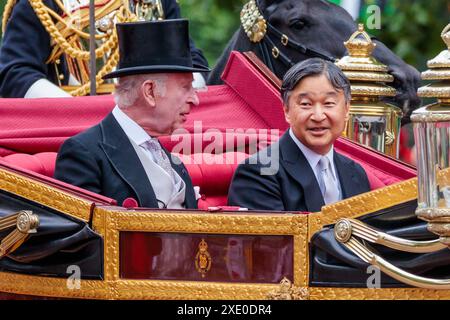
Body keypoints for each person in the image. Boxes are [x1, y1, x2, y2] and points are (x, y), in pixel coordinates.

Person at [54, 19, 209, 209]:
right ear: (150, 92)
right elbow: (84, 236)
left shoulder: (171, 161)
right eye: (185, 87)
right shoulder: (84, 154)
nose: (195, 99)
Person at [227, 58, 371, 212]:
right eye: (306, 104)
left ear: (347, 110)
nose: (318, 116)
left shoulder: (355, 173)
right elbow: (273, 236)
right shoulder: (259, 172)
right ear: (286, 110)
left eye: (328, 103)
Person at [0, 0, 209, 98]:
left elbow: (192, 62)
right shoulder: (42, 4)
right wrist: (79, 113)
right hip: (77, 130)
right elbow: (15, 74)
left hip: (156, 122)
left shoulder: (156, 1)